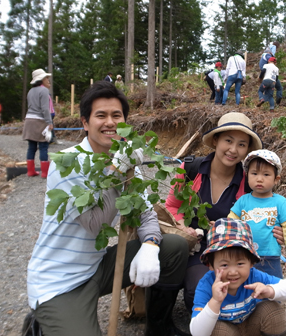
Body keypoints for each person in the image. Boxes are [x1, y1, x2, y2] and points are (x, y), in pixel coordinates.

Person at [25, 81, 189, 336]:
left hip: (96, 267)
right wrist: (116, 171)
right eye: (100, 115)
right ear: (85, 123)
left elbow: (146, 214)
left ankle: (159, 327)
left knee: (174, 247)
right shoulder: (68, 163)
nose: (110, 122)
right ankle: (41, 321)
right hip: (59, 282)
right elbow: (94, 224)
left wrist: (151, 245)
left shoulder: (124, 161)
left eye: (117, 116)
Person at [165, 112, 286, 312]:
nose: (233, 150)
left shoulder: (250, 182)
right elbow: (171, 205)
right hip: (196, 247)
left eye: (241, 144)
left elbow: (266, 212)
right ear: (215, 140)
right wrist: (182, 226)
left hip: (233, 251)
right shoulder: (190, 169)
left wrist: (275, 229)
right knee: (198, 292)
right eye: (228, 141)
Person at [189, 218, 286, 336]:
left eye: (240, 264)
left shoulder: (254, 275)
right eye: (224, 265)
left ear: (251, 263)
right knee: (216, 329)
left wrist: (269, 290)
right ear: (211, 265)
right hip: (227, 331)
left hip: (253, 326)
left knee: (272, 309)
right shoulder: (207, 284)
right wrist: (215, 301)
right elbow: (197, 332)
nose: (233, 272)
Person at [228, 150, 286, 278]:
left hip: (270, 258)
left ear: (276, 179)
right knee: (246, 290)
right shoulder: (243, 201)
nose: (259, 179)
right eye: (254, 173)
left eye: (266, 174)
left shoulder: (280, 202)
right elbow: (230, 223)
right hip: (244, 256)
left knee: (273, 290)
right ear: (247, 175)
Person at [22, 69, 54, 178]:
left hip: (29, 121)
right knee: (44, 146)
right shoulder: (44, 91)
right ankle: (45, 173)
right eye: (46, 78)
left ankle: (30, 171)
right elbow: (45, 109)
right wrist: (49, 122)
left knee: (31, 147)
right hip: (39, 121)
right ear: (41, 80)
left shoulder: (30, 91)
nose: (48, 80)